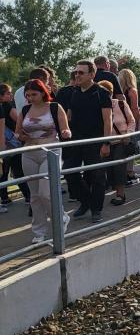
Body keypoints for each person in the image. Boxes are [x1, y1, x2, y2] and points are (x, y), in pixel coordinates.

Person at [15, 79, 72, 242]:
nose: (31, 98)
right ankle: (39, 232)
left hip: (51, 151)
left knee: (46, 193)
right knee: (34, 196)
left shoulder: (54, 107)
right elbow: (17, 132)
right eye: (28, 95)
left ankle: (61, 218)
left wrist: (66, 132)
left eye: (34, 94)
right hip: (29, 152)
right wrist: (21, 136)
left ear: (43, 93)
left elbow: (65, 128)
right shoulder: (25, 110)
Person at [65, 60, 112, 223]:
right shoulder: (74, 92)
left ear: (92, 75)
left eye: (81, 72)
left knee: (98, 176)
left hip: (96, 141)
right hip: (76, 141)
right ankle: (87, 202)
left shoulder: (102, 93)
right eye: (76, 72)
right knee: (69, 171)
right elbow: (70, 116)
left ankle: (96, 210)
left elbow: (108, 120)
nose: (77, 75)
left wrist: (106, 143)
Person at [97, 80, 134, 206]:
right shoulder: (96, 107)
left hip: (120, 141)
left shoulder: (121, 104)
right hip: (103, 143)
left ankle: (120, 194)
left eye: (107, 93)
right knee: (105, 170)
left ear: (111, 93)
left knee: (119, 167)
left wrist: (127, 134)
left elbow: (131, 121)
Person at [0, 83, 31, 213]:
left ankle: (4, 197)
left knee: (4, 172)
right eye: (8, 93)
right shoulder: (6, 106)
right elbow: (17, 120)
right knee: (17, 169)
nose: (11, 95)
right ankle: (28, 196)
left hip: (6, 144)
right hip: (10, 144)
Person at [118, 69, 140, 184]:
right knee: (131, 148)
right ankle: (129, 173)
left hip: (119, 123)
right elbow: (135, 109)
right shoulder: (132, 91)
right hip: (129, 123)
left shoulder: (118, 92)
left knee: (121, 148)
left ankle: (121, 174)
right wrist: (138, 123)